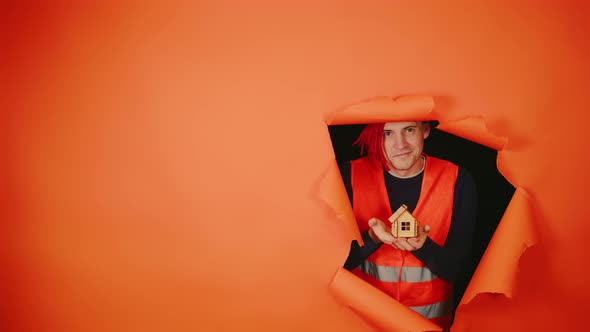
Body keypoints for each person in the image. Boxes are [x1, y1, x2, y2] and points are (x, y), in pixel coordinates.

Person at [340, 120, 477, 330]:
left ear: (425, 130)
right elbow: (331, 265)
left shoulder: (458, 180)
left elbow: (458, 271)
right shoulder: (350, 175)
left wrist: (423, 247)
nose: (400, 144)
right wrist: (372, 239)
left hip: (428, 325)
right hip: (363, 323)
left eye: (409, 130)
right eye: (387, 133)